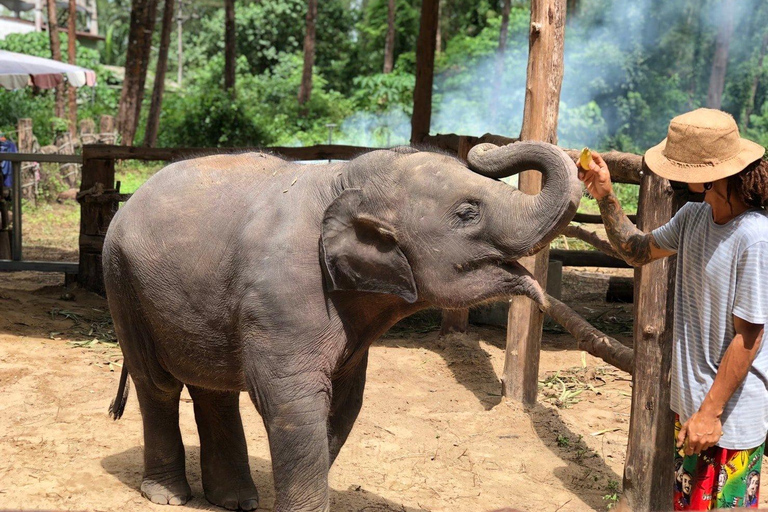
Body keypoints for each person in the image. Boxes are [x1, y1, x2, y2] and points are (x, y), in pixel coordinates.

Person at [579, 108, 768, 511]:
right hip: (693, 410)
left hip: (726, 420)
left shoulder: (754, 237)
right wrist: (606, 194)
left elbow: (749, 337)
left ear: (706, 174)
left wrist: (710, 415)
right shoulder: (693, 217)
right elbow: (635, 249)